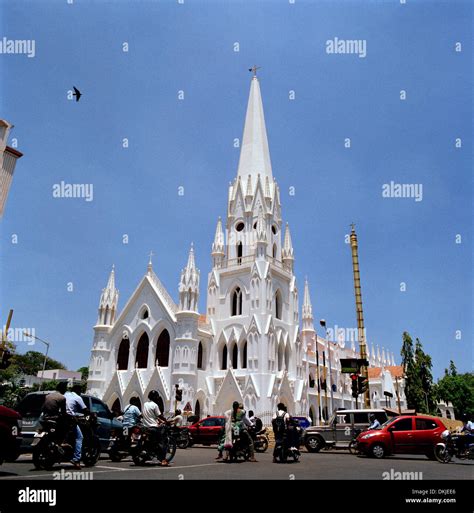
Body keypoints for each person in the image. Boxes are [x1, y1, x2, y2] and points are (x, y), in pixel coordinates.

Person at [64, 384, 89, 469]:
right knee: (79, 437)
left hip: (60, 417)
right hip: (69, 418)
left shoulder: (66, 394)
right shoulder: (78, 397)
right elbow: (85, 409)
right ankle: (76, 459)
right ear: (78, 390)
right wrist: (91, 414)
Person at [142, 390, 169, 466]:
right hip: (153, 427)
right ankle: (163, 460)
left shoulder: (145, 404)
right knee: (162, 443)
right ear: (155, 397)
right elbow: (159, 415)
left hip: (145, 427)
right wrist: (165, 420)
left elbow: (151, 416)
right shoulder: (155, 405)